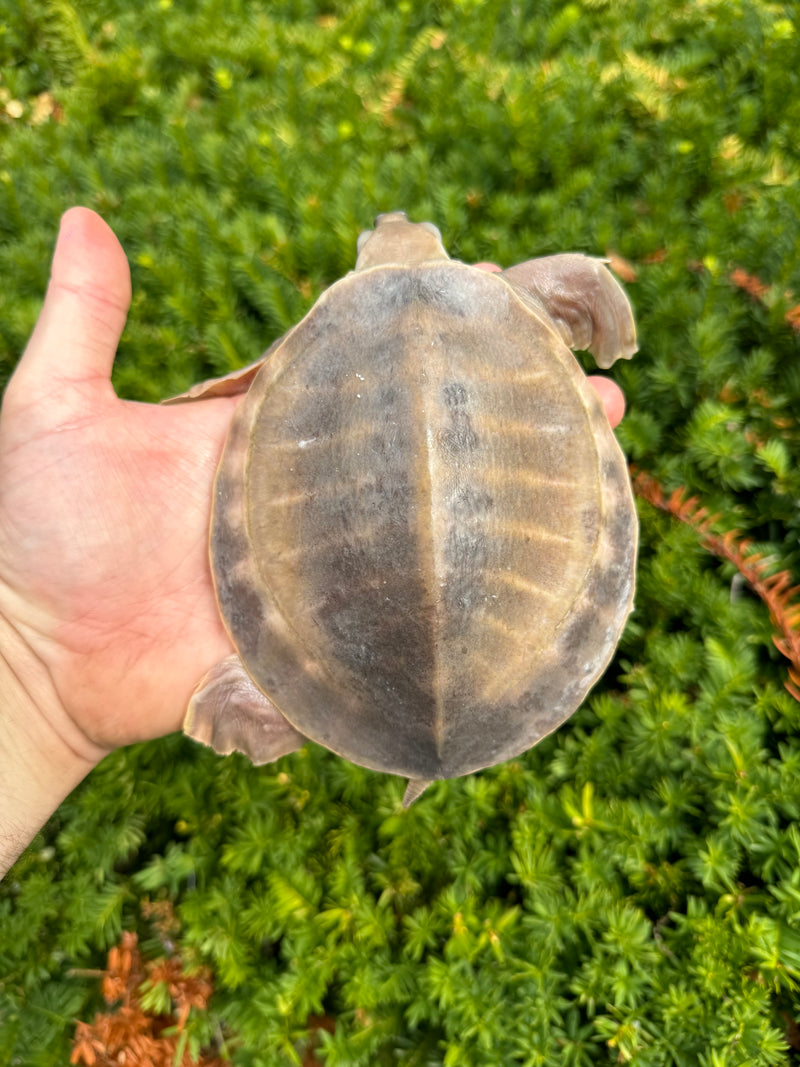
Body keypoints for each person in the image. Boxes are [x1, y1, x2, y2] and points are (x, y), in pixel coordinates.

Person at [0, 208, 627, 879]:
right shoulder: (509, 304)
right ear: (440, 248)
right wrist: (590, 288)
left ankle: (274, 695)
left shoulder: (316, 334)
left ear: (362, 258)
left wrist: (25, 667)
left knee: (291, 651)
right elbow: (584, 282)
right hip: (521, 620)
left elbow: (248, 386)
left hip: (363, 605)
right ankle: (278, 696)